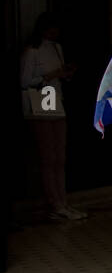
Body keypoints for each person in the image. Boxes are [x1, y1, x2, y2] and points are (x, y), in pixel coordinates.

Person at [20, 12, 85, 220]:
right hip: (40, 103)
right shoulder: (32, 52)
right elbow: (24, 82)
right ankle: (54, 203)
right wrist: (52, 75)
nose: (54, 32)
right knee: (48, 157)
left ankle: (62, 201)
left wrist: (64, 74)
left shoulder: (57, 48)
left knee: (59, 157)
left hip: (55, 101)